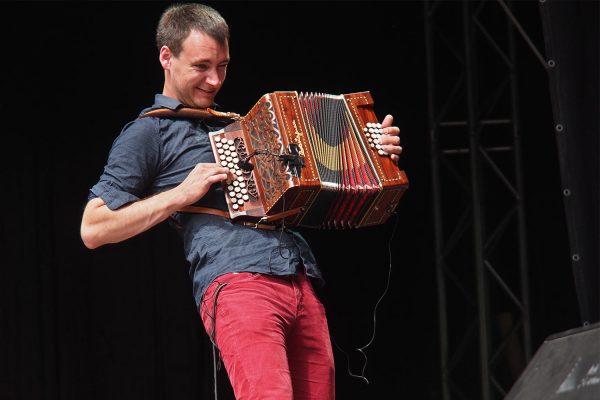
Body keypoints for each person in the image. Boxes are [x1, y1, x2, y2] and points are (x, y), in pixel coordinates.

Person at [80, 3, 403, 399]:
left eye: (223, 65)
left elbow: (326, 177)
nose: (214, 80)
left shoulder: (237, 125)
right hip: (238, 282)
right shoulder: (149, 133)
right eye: (201, 66)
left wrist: (373, 152)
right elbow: (93, 228)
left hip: (299, 278)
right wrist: (180, 194)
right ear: (166, 57)